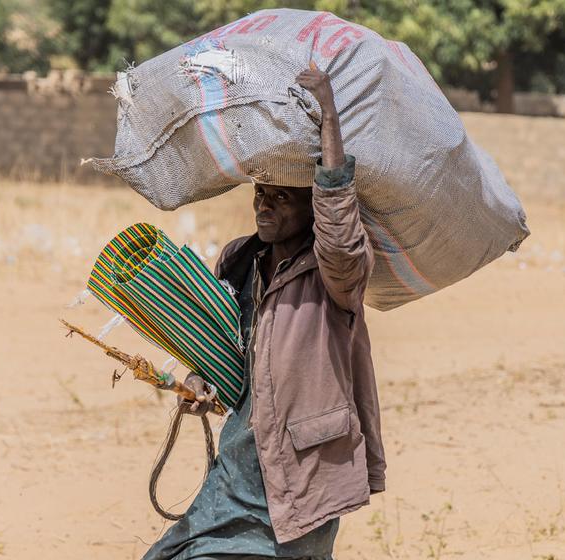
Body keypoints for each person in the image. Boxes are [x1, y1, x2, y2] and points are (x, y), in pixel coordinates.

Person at [140, 66, 385, 560]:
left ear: (312, 208)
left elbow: (339, 232)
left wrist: (329, 114)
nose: (264, 207)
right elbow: (222, 347)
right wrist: (201, 382)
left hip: (303, 472)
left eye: (282, 198)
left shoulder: (336, 274)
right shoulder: (239, 260)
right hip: (240, 464)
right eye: (261, 194)